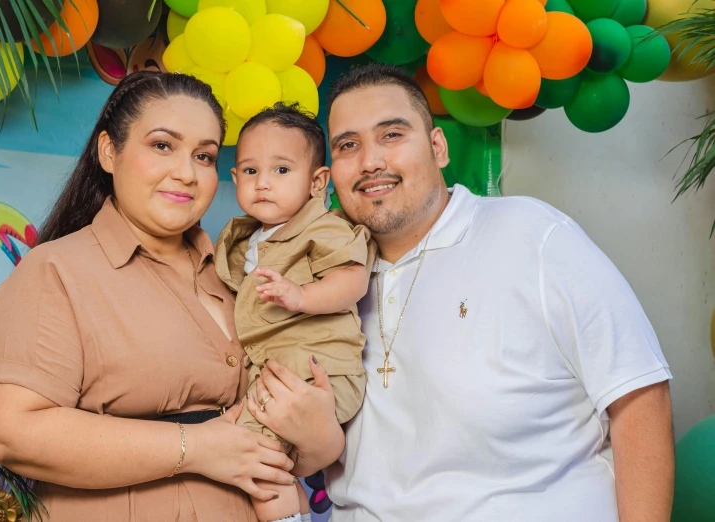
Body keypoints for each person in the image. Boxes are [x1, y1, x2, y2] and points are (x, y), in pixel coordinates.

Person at [250, 63, 675, 522]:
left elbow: (638, 398)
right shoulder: (317, 278)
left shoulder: (533, 235)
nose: (371, 161)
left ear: (438, 147)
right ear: (329, 175)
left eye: (392, 135)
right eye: (349, 145)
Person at [0, 71, 337, 522]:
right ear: (109, 151)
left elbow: (259, 442)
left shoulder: (243, 273)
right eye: (163, 145)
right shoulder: (56, 272)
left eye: (204, 156)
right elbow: (4, 431)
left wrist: (321, 442)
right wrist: (195, 447)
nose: (186, 173)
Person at [215, 102, 372, 522]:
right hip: (280, 370)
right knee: (269, 462)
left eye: (281, 170)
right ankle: (298, 513)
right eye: (250, 172)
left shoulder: (322, 227)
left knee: (254, 454)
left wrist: (302, 296)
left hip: (318, 371)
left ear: (317, 181)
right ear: (234, 178)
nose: (263, 183)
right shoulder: (245, 238)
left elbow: (352, 280)